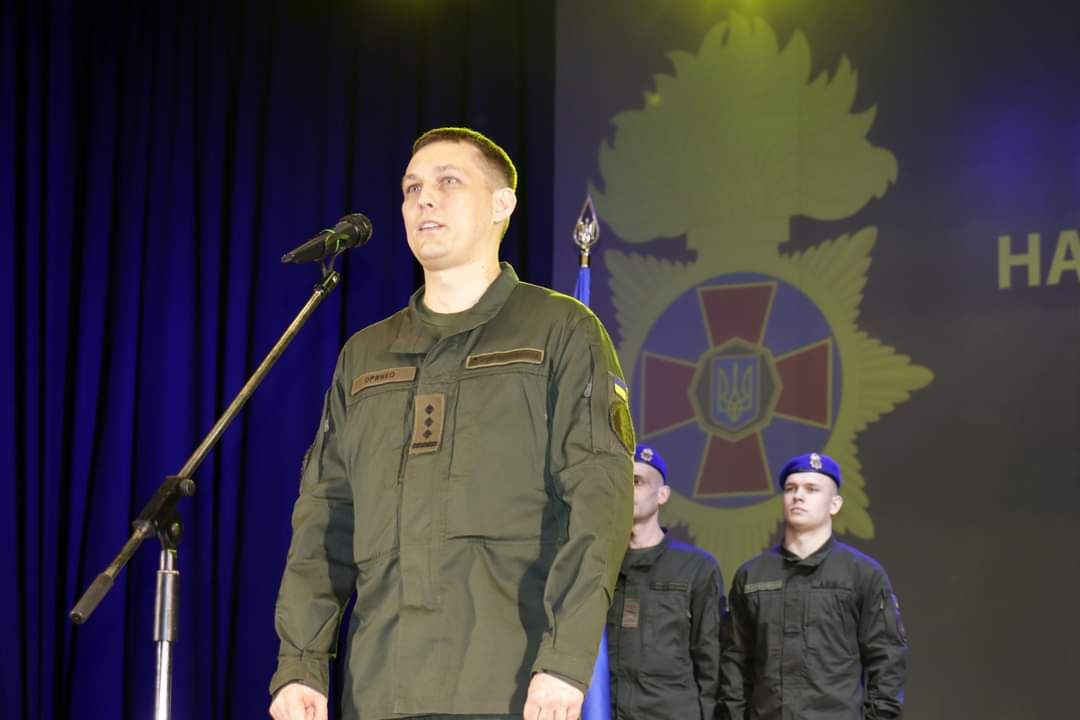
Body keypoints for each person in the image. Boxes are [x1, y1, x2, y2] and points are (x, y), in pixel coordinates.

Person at [268, 127, 635, 720]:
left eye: (448, 182)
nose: (425, 199)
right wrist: (300, 664)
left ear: (502, 204)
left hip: (513, 687)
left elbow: (599, 500)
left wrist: (566, 660)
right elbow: (324, 517)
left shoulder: (561, 331)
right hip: (380, 690)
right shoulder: (366, 355)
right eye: (412, 188)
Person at [719, 452, 908, 719]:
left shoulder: (863, 574)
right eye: (790, 488)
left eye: (811, 489)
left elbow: (887, 659)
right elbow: (735, 662)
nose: (798, 496)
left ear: (835, 504)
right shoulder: (752, 576)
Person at [605, 444, 724, 720]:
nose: (627, 489)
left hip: (671, 712)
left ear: (662, 495)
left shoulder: (696, 568)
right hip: (606, 710)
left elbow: (710, 660)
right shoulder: (598, 566)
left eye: (637, 481)